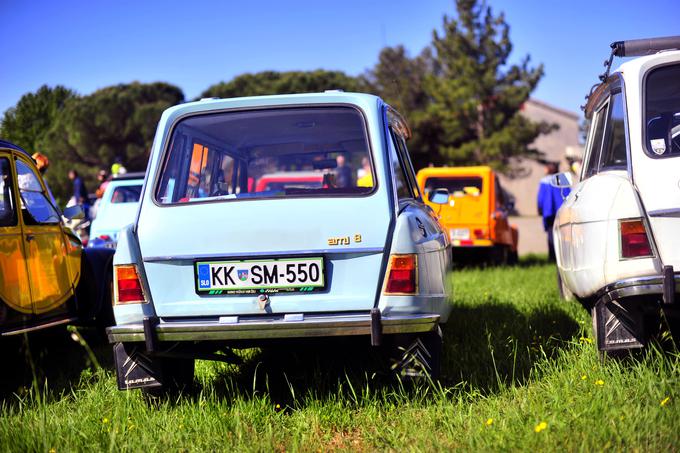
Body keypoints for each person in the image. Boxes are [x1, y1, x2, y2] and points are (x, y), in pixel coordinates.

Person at [537, 162, 570, 262]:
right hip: (562, 210)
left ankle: (552, 257)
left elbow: (541, 198)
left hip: (549, 212)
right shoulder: (563, 178)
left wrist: (539, 209)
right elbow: (568, 193)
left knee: (551, 234)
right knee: (564, 233)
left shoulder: (544, 181)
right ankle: (564, 256)